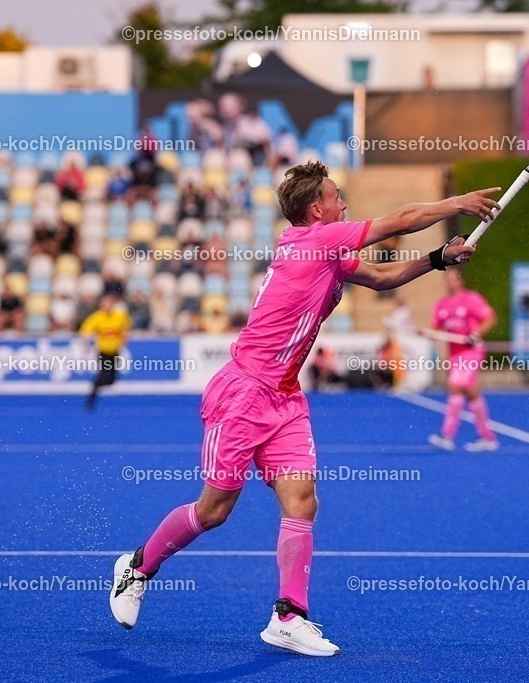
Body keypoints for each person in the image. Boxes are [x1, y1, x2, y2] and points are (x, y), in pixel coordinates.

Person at [108, 160, 498, 656]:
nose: (344, 203)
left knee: (302, 501)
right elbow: (400, 218)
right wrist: (456, 206)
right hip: (244, 392)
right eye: (337, 196)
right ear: (318, 210)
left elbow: (380, 277)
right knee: (214, 510)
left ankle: (289, 616)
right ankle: (137, 567)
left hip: (285, 396)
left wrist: (437, 258)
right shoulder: (316, 240)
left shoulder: (327, 251)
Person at [427, 270, 499, 452]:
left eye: (455, 278)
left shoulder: (471, 299)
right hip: (454, 354)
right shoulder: (441, 305)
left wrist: (476, 334)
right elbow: (434, 330)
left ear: (461, 280)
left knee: (455, 385)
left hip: (472, 351)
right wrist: (427, 334)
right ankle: (488, 437)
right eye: (448, 279)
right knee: (472, 392)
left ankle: (447, 435)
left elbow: (490, 318)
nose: (451, 282)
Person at [80, 292, 130, 411]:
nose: (107, 305)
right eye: (105, 303)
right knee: (104, 375)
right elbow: (84, 331)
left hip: (115, 352)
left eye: (109, 303)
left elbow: (126, 327)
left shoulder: (119, 316)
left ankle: (95, 386)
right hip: (103, 353)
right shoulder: (97, 317)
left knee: (112, 380)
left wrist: (124, 339)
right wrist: (86, 345)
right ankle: (92, 395)